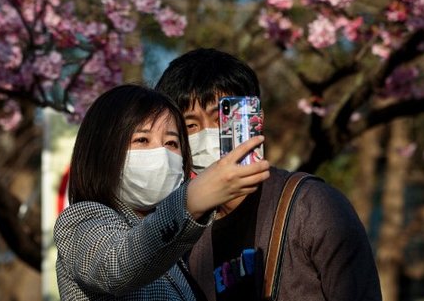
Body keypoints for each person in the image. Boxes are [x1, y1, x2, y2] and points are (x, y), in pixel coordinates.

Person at [155, 49, 383, 301]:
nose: (208, 134)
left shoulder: (312, 206)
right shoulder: (186, 234)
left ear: (256, 119)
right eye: (190, 125)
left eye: (222, 118)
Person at [54, 84, 270, 301]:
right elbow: (115, 264)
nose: (161, 153)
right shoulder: (80, 221)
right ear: (102, 151)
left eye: (171, 143)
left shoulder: (176, 245)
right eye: (142, 140)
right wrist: (189, 202)